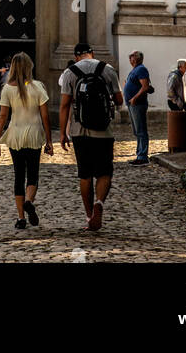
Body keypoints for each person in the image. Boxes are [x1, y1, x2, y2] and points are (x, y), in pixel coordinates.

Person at [59, 42, 124, 232]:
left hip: (80, 131)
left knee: (85, 174)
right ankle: (100, 204)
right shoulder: (107, 69)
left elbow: (64, 105)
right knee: (105, 172)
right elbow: (119, 100)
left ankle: (89, 216)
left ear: (77, 56)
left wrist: (63, 133)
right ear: (92, 54)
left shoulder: (70, 73)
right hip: (103, 130)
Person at [0, 52, 53, 231]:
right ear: (29, 67)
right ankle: (29, 201)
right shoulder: (38, 87)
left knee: (19, 175)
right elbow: (45, 116)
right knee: (33, 174)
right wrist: (49, 140)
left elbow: (3, 116)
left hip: (15, 135)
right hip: (34, 134)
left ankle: (21, 218)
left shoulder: (7, 89)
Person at [123, 50, 151, 164]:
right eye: (130, 57)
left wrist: (134, 98)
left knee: (141, 130)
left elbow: (145, 87)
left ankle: (142, 156)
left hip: (137, 104)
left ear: (139, 58)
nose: (130, 59)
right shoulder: (135, 70)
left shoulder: (141, 69)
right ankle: (139, 154)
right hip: (132, 104)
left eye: (133, 57)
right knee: (137, 130)